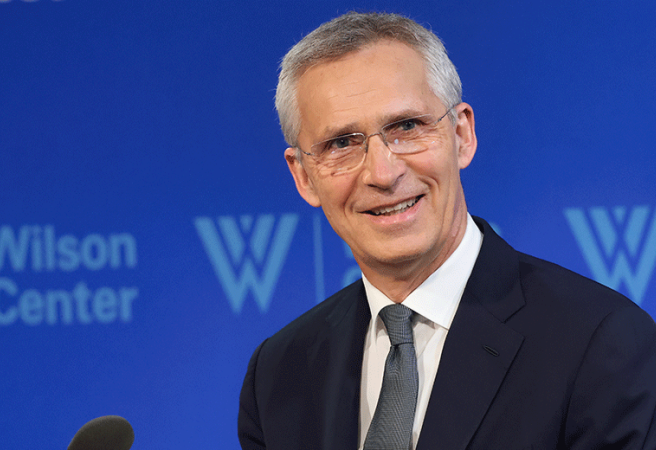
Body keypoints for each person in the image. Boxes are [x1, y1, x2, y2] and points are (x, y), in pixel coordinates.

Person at [238, 11, 656, 450]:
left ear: (462, 134)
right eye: (341, 143)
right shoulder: (278, 373)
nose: (382, 172)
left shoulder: (600, 343)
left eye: (406, 127)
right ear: (304, 176)